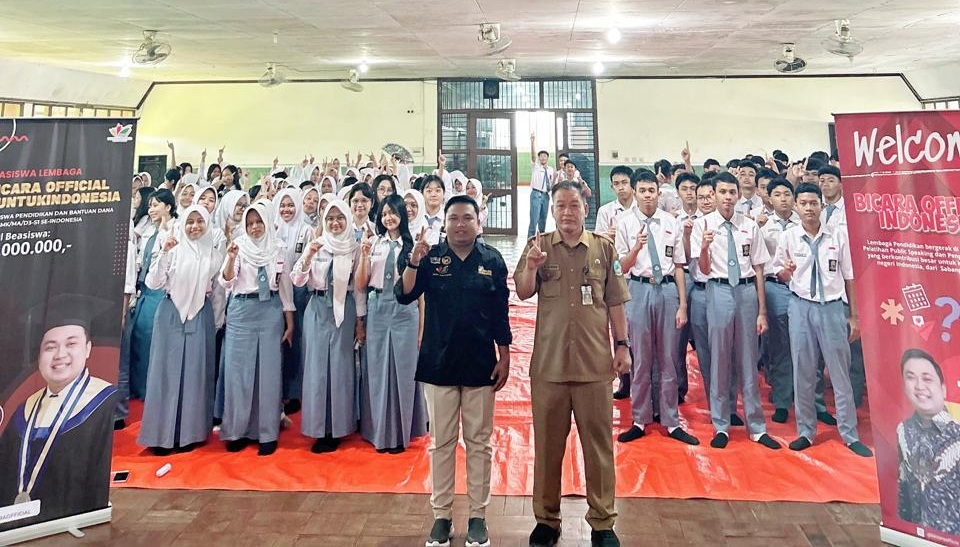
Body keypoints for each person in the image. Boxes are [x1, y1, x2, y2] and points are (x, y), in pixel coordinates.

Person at [515, 181, 631, 547]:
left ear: (585, 208)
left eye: (573, 205)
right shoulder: (539, 247)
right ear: (552, 209)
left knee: (599, 447)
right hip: (549, 367)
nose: (567, 212)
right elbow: (521, 290)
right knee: (548, 446)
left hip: (595, 366)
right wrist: (532, 267)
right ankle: (546, 520)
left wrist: (623, 346)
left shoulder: (603, 248)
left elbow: (615, 302)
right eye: (560, 205)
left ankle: (602, 521)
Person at [396, 195, 511, 547]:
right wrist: (413, 263)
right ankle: (441, 517)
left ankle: (478, 516)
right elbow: (404, 294)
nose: (460, 224)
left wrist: (504, 355)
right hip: (438, 364)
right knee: (441, 444)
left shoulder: (492, 260)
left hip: (480, 364)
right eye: (453, 218)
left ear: (479, 222)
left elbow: (500, 313)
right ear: (444, 224)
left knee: (479, 444)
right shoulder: (429, 258)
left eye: (467, 218)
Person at [0, 294, 118, 530]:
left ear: (87, 349)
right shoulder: (24, 410)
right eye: (50, 347)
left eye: (71, 344)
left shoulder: (104, 403)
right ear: (39, 356)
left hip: (80, 523)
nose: (60, 355)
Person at [773, 183, 871, 457]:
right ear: (796, 206)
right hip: (801, 307)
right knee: (803, 372)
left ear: (821, 205)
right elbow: (780, 274)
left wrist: (853, 314)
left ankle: (849, 434)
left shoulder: (838, 236)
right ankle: (806, 431)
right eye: (803, 203)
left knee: (840, 373)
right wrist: (785, 272)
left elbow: (849, 276)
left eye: (813, 203)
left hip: (831, 308)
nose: (808, 208)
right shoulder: (789, 237)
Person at [690, 172, 779, 450]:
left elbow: (760, 267)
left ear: (738, 195)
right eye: (723, 192)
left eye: (732, 192)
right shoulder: (702, 225)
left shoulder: (749, 226)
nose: (728, 197)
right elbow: (703, 270)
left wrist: (762, 310)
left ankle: (756, 426)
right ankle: (721, 425)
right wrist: (704, 247)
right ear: (714, 195)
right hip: (717, 291)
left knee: (748, 359)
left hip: (746, 292)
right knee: (719, 358)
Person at [615, 171, 697, 447]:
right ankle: (640, 418)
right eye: (643, 190)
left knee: (669, 357)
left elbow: (679, 266)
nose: (648, 195)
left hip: (667, 291)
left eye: (652, 190)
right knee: (641, 357)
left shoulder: (670, 222)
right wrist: (636, 249)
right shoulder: (624, 223)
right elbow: (621, 269)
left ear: (658, 194)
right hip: (637, 289)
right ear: (635, 193)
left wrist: (682, 304)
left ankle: (671, 420)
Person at [138, 205, 223, 455]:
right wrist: (164, 253)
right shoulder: (172, 250)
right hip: (171, 314)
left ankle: (191, 434)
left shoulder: (215, 256)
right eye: (190, 221)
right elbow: (153, 282)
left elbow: (218, 294)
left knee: (196, 373)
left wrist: (216, 323)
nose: (195, 226)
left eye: (200, 222)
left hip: (201, 315)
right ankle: (161, 436)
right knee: (166, 373)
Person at [218, 201, 295, 456]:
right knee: (239, 373)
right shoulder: (238, 247)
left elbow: (284, 287)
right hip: (242, 310)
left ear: (267, 221)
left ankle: (267, 433)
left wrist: (289, 320)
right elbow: (227, 282)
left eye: (259, 222)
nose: (254, 227)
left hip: (270, 311)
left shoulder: (278, 249)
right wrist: (230, 259)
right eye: (250, 223)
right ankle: (237, 431)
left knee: (268, 373)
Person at [291, 199, 366, 453]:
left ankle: (339, 426)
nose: (335, 223)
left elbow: (358, 289)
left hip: (343, 310)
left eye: (340, 218)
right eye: (330, 218)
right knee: (316, 368)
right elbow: (298, 280)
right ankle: (318, 427)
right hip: (317, 309)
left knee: (341, 368)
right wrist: (309, 254)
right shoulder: (318, 245)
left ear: (347, 220)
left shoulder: (354, 247)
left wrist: (359, 321)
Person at [356, 195, 428, 453]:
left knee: (404, 371)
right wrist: (364, 255)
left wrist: (421, 329)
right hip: (378, 310)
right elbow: (361, 284)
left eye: (393, 213)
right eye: (385, 213)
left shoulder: (411, 246)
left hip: (404, 311)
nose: (389, 218)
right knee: (377, 370)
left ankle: (401, 432)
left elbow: (420, 294)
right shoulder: (373, 243)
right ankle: (378, 432)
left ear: (402, 216)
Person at [896, 349, 960, 535]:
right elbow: (904, 487)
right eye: (910, 377)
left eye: (927, 378)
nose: (919, 386)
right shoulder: (903, 430)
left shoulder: (957, 433)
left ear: (943, 388)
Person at [125, 189, 177, 403]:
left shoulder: (175, 231)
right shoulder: (150, 230)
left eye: (156, 205)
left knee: (156, 343)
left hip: (161, 294)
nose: (151, 209)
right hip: (145, 292)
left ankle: (154, 390)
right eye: (150, 205)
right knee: (142, 340)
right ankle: (140, 387)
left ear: (168, 207)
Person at [760, 178, 800, 423]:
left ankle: (812, 401)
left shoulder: (805, 223)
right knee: (781, 345)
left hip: (804, 289)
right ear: (770, 198)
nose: (783, 198)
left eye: (787, 193)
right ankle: (783, 399)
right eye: (778, 194)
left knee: (807, 347)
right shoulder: (763, 228)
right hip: (776, 287)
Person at [594, 165, 635, 400]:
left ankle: (644, 380)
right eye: (616, 184)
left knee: (641, 332)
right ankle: (624, 380)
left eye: (624, 183)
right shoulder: (606, 211)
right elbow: (597, 242)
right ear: (611, 187)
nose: (621, 188)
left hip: (637, 277)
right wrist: (607, 237)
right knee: (620, 330)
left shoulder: (641, 211)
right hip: (616, 279)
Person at [273, 188, 314, 415]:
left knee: (295, 343)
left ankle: (295, 392)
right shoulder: (273, 229)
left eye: (291, 205)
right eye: (283, 205)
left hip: (298, 294)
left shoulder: (306, 231)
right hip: (274, 294)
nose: (287, 209)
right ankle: (276, 390)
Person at [528, 134, 554, 238]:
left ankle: (541, 240)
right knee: (534, 219)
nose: (543, 157)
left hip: (546, 196)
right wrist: (533, 142)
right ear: (539, 158)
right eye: (541, 156)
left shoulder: (551, 169)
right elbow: (533, 156)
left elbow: (552, 183)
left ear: (547, 158)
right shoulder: (536, 167)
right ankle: (530, 241)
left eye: (545, 156)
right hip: (536, 194)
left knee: (543, 220)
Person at [421, 175, 446, 246]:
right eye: (429, 191)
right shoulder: (416, 217)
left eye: (438, 191)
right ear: (422, 193)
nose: (433, 194)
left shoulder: (448, 218)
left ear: (444, 193)